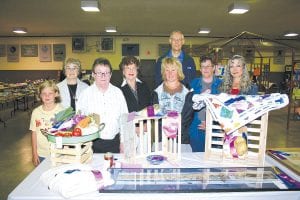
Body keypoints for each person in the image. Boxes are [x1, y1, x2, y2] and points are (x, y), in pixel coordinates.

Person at [77, 58, 128, 153]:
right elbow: (79, 121)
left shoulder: (118, 93)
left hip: (115, 143)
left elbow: (124, 120)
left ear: (111, 75)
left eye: (106, 72)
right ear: (93, 74)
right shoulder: (85, 94)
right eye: (99, 73)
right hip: (92, 144)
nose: (103, 76)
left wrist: (123, 142)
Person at [153, 57, 191, 152]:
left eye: (173, 70)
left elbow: (187, 118)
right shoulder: (156, 92)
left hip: (181, 139)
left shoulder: (187, 92)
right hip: (161, 139)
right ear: (163, 72)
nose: (170, 73)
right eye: (167, 70)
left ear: (178, 71)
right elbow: (155, 115)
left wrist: (174, 130)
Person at [189, 56, 222, 152]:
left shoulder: (222, 85)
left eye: (208, 66)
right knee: (196, 158)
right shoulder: (193, 84)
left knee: (214, 159)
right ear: (200, 68)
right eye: (203, 66)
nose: (206, 69)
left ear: (214, 68)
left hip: (215, 128)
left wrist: (210, 123)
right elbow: (188, 106)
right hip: (196, 127)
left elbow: (224, 109)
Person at [29, 80, 64, 166]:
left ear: (56, 94)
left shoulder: (62, 111)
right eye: (44, 93)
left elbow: (65, 134)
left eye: (50, 93)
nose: (47, 96)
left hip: (58, 153)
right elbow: (34, 133)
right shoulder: (36, 112)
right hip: (41, 154)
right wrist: (34, 153)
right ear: (40, 95)